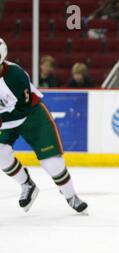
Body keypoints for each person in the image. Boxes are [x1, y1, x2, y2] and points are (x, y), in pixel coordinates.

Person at [0, 38, 88, 214]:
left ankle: (71, 196)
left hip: (31, 116)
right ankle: (27, 185)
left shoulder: (15, 76)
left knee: (52, 162)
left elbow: (21, 108)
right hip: (6, 120)